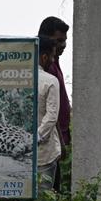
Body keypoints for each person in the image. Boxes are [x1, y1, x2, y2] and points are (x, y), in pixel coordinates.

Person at [38, 16, 71, 191]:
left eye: (65, 41)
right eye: (59, 41)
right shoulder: (46, 67)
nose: (63, 45)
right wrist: (61, 143)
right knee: (48, 193)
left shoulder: (53, 63)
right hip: (48, 143)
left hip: (54, 140)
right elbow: (51, 113)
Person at [35, 37, 62, 193]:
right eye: (52, 56)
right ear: (44, 57)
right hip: (45, 153)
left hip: (19, 153)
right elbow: (52, 116)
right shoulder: (51, 81)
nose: (53, 60)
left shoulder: (19, 78)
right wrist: (35, 139)